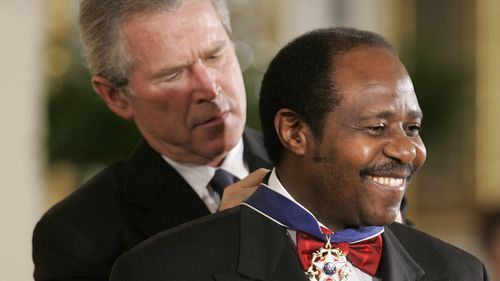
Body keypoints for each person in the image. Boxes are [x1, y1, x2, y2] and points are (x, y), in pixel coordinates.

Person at [110, 27, 489, 281]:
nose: (408, 150)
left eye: (412, 128)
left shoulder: (462, 272)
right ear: (295, 132)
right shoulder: (165, 270)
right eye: (376, 127)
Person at [32, 0, 272, 280]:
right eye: (173, 74)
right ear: (116, 96)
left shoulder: (312, 168)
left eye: (214, 56)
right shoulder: (77, 235)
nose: (209, 88)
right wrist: (215, 244)